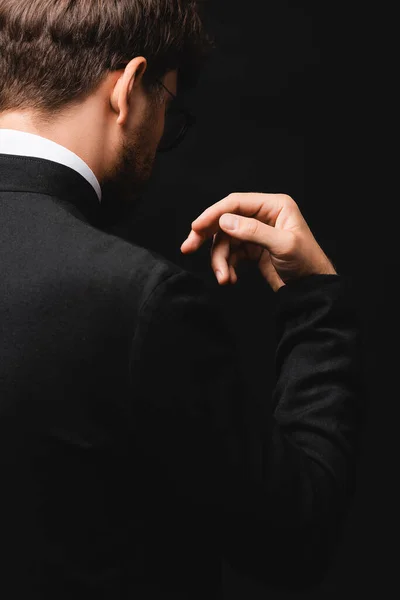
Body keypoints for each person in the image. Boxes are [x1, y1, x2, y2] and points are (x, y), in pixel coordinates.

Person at [0, 1, 363, 598]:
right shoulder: (135, 301)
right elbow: (297, 539)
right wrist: (314, 303)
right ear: (129, 88)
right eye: (167, 103)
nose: (162, 130)